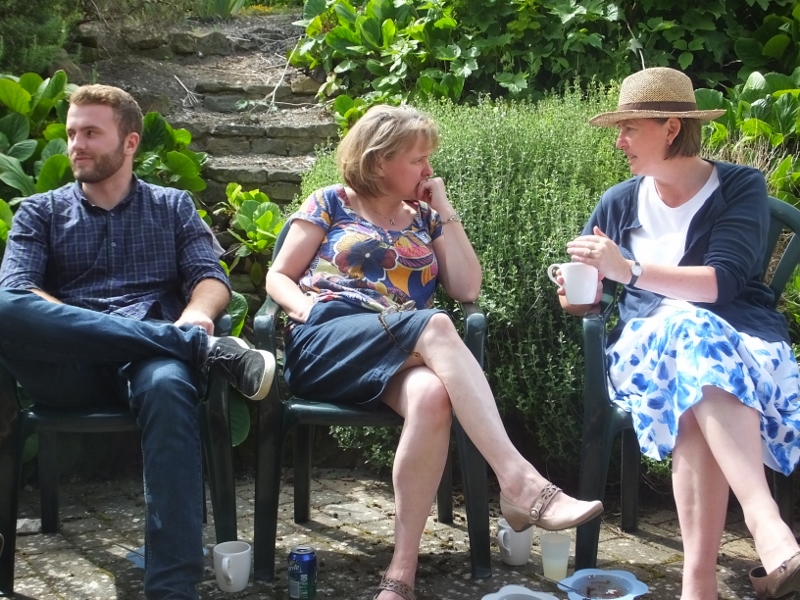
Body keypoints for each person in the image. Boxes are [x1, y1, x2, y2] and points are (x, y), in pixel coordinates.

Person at [265, 104, 604, 600]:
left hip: (396, 347)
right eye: (418, 160)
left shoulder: (424, 216)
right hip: (328, 338)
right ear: (379, 160)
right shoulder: (331, 201)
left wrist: (443, 208)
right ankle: (520, 483)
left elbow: (467, 287)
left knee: (431, 396)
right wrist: (304, 309)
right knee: (438, 325)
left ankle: (400, 573)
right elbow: (278, 275)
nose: (429, 169)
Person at [0, 84, 276, 600]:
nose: (76, 145)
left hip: (150, 365)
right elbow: (18, 290)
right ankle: (196, 349)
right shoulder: (40, 211)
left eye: (90, 133)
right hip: (72, 367)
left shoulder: (172, 206)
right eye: (72, 133)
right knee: (3, 304)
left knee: (169, 386)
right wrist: (168, 336)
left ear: (130, 142)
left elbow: (210, 276)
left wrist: (197, 315)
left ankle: (172, 589)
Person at [556, 67, 800, 600]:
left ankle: (698, 585)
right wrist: (578, 292)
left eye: (629, 128)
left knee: (694, 370)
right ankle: (768, 528)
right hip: (648, 352)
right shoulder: (618, 201)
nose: (618, 141)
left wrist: (628, 269)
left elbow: (722, 284)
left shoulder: (739, 186)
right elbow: (590, 298)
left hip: (741, 344)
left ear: (670, 128)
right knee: (687, 337)